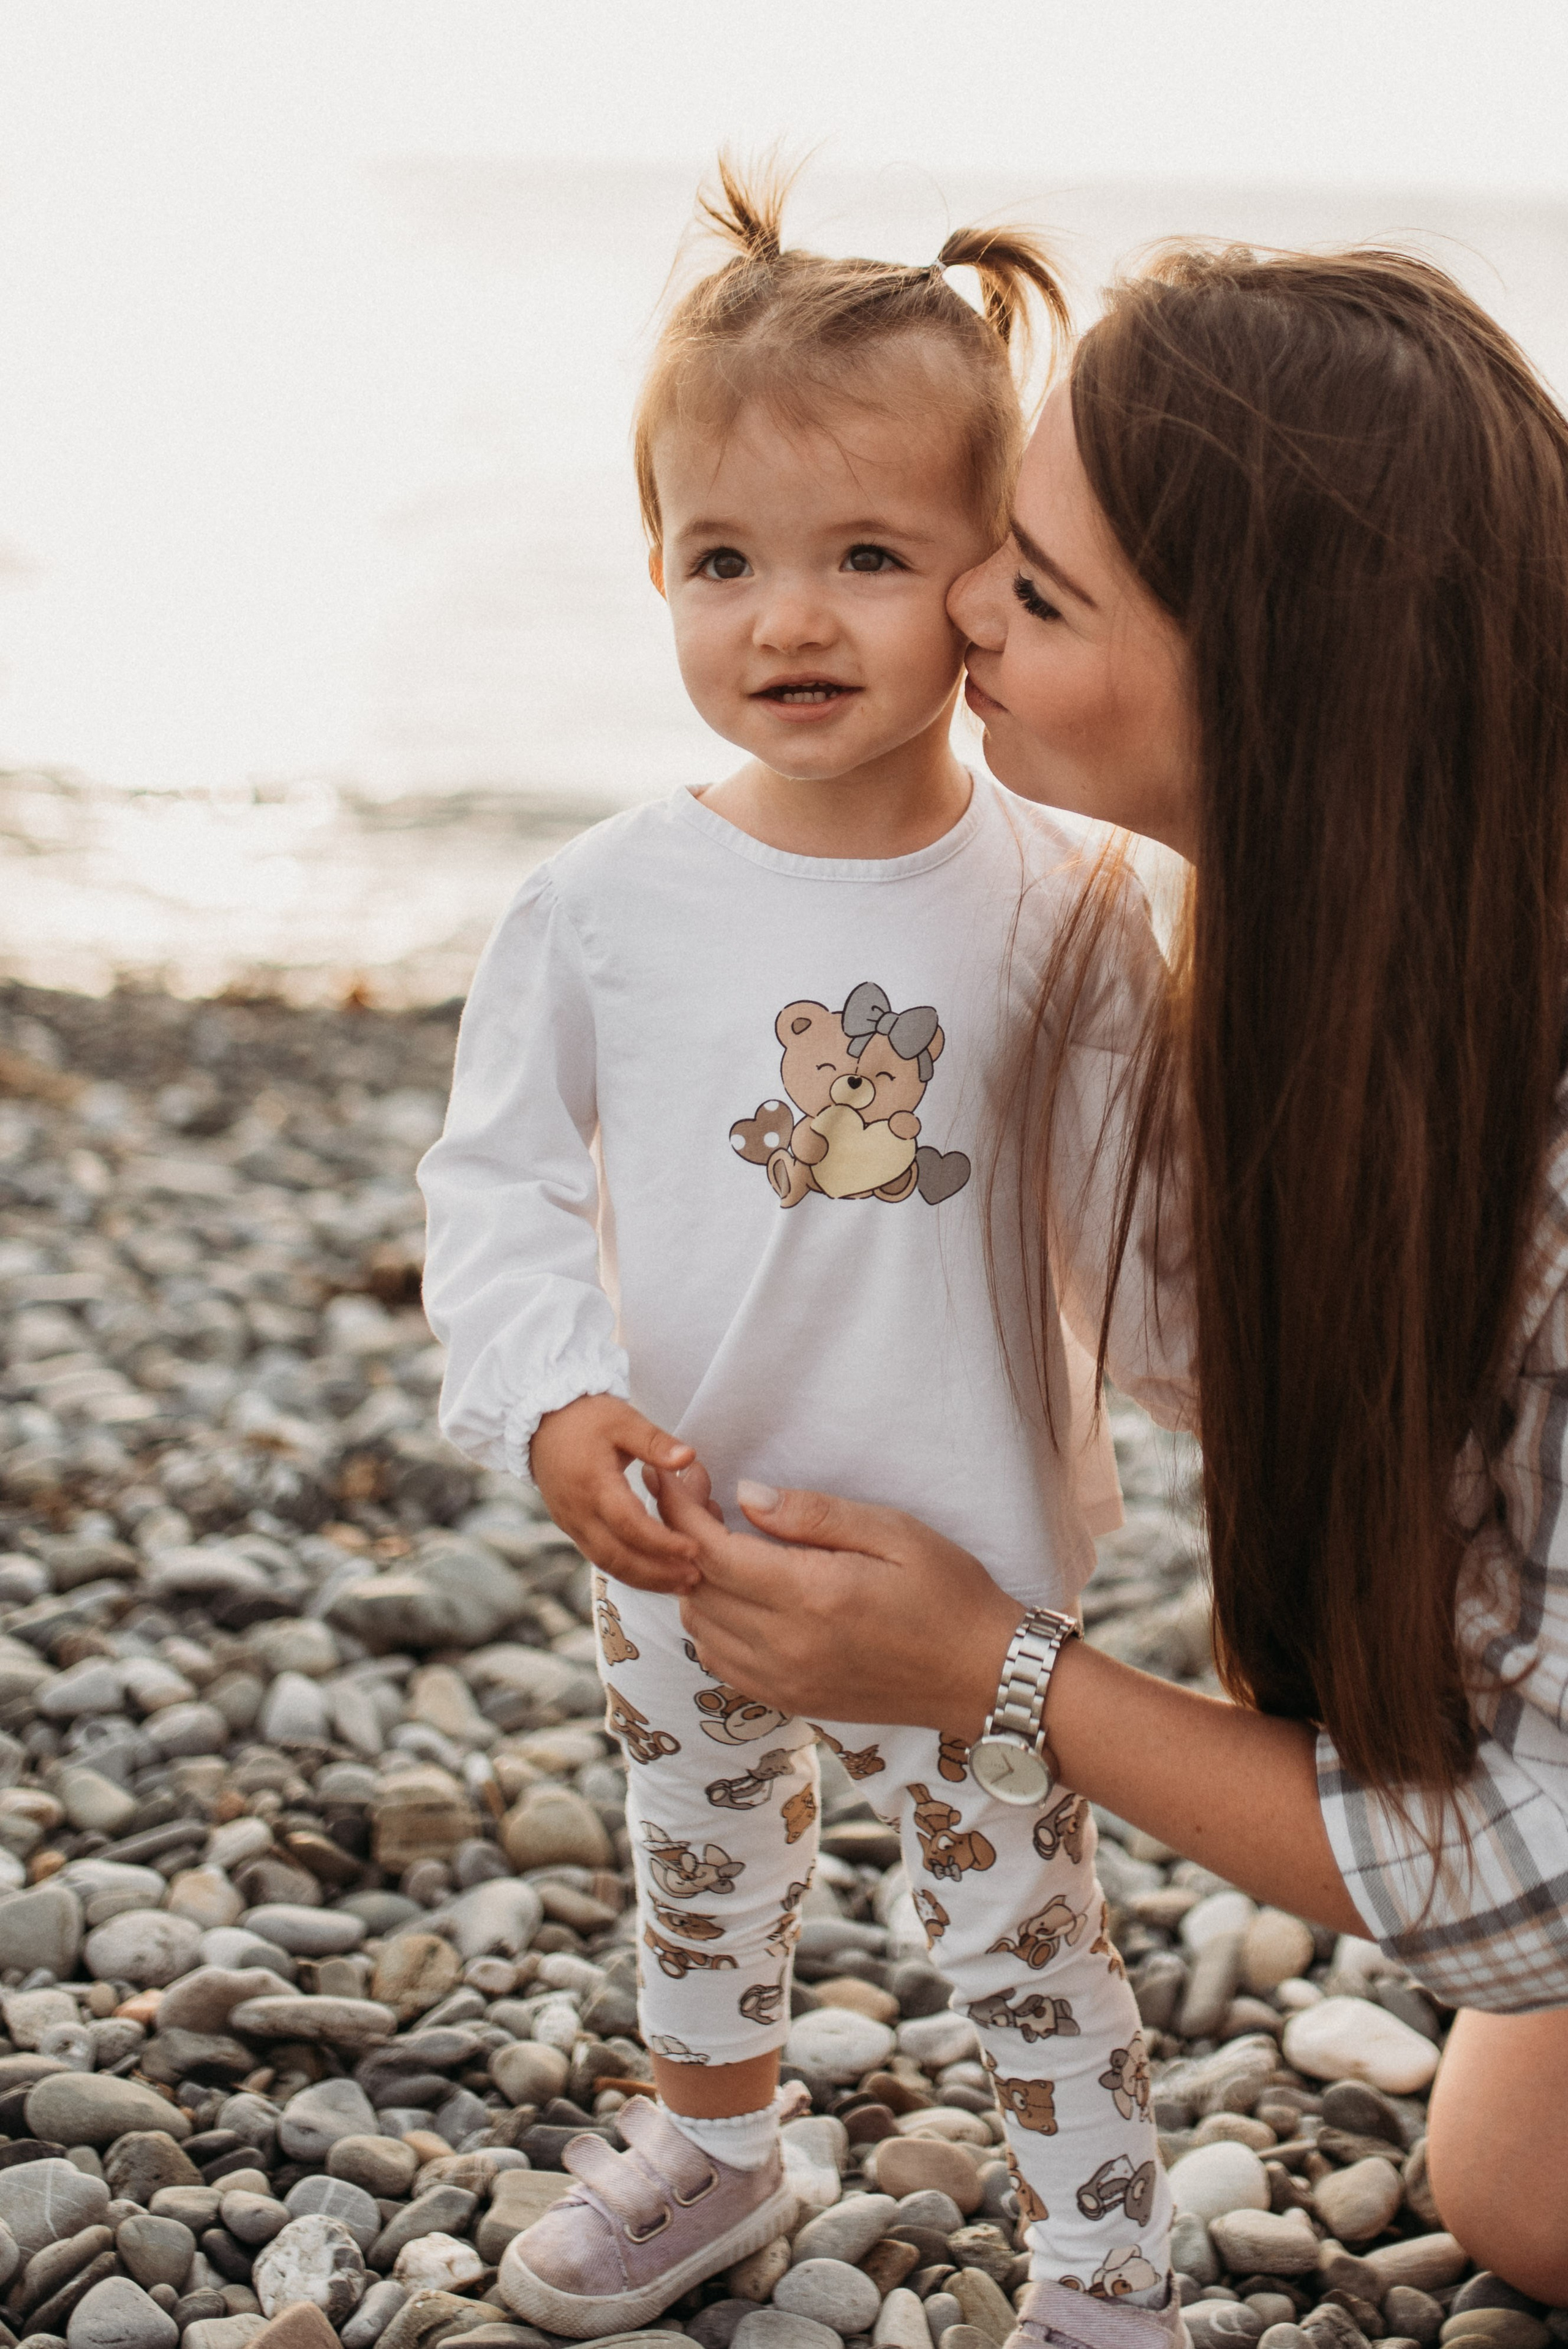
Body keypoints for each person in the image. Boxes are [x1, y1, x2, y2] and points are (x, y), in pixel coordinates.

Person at [648, 243, 1568, 2321]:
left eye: (1038, 591)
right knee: (1512, 2170)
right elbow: (1197, 1349)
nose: (965, 599)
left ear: (1276, 684)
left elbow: (1530, 1865)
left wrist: (995, 1665)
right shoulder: (1343, 936)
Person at [418, 162, 1199, 2340]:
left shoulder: (1068, 902)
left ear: (987, 586)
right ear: (654, 567)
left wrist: (1245, 1395)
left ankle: (1105, 2252)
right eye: (725, 561)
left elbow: (1148, 1225)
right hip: (679, 1504)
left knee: (1026, 1914)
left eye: (870, 557)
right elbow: (491, 1183)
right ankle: (717, 2148)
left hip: (966, 1536)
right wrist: (559, 1397)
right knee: (701, 1860)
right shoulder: (600, 903)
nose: (791, 619)